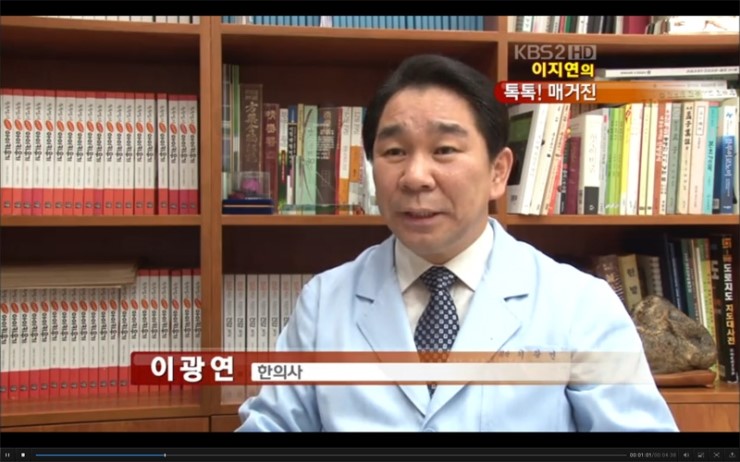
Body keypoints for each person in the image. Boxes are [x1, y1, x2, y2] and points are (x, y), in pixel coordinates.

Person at [235, 53, 679, 432]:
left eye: (444, 149)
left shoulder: (581, 305)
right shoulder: (324, 302)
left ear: (498, 172)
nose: (415, 177)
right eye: (394, 152)